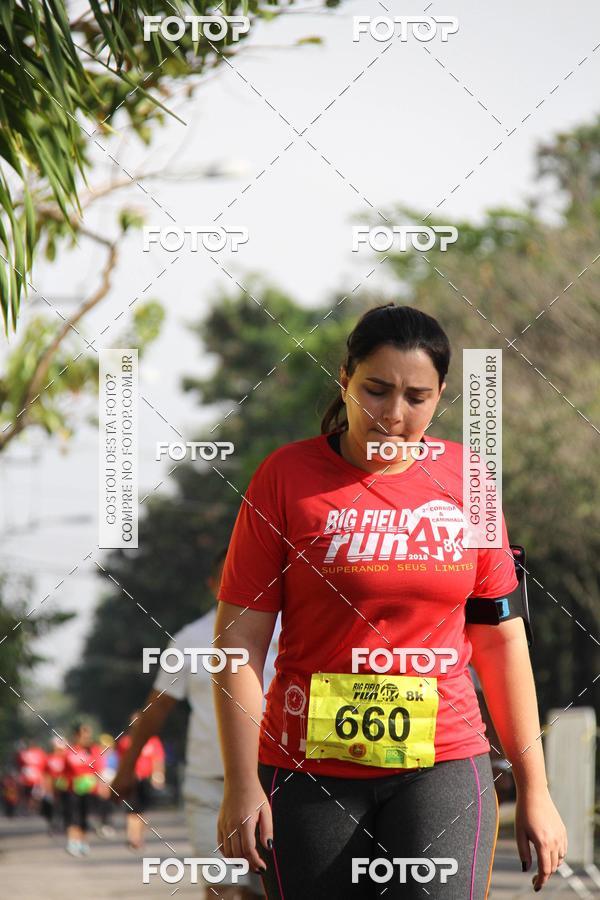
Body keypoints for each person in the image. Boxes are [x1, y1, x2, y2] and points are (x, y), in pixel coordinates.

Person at [212, 303, 568, 899]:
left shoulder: (470, 481)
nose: (394, 414)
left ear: (440, 396)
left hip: (443, 762)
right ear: (344, 378)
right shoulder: (285, 478)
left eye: (416, 397)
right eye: (375, 390)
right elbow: (238, 645)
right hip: (306, 770)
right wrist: (241, 782)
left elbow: (501, 639)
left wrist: (536, 786)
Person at [112, 547, 281, 899]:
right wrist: (126, 768)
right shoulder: (190, 639)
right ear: (212, 584)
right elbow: (157, 708)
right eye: (228, 576)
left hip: (272, 782)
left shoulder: (287, 630)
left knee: (262, 891)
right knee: (223, 888)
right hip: (209, 788)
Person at [116, 719, 165, 849]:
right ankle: (132, 837)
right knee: (131, 810)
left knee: (141, 811)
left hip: (145, 780)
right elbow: (120, 762)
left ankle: (139, 837)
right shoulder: (125, 742)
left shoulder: (152, 741)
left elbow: (158, 759)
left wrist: (158, 775)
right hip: (130, 780)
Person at [63, 722, 102, 856]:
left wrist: (101, 786)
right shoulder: (70, 751)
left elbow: (98, 770)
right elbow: (64, 771)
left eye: (88, 735)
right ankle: (73, 842)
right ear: (76, 735)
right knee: (72, 816)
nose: (86, 738)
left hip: (89, 790)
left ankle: (83, 842)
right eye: (83, 735)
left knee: (84, 817)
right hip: (72, 790)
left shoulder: (94, 750)